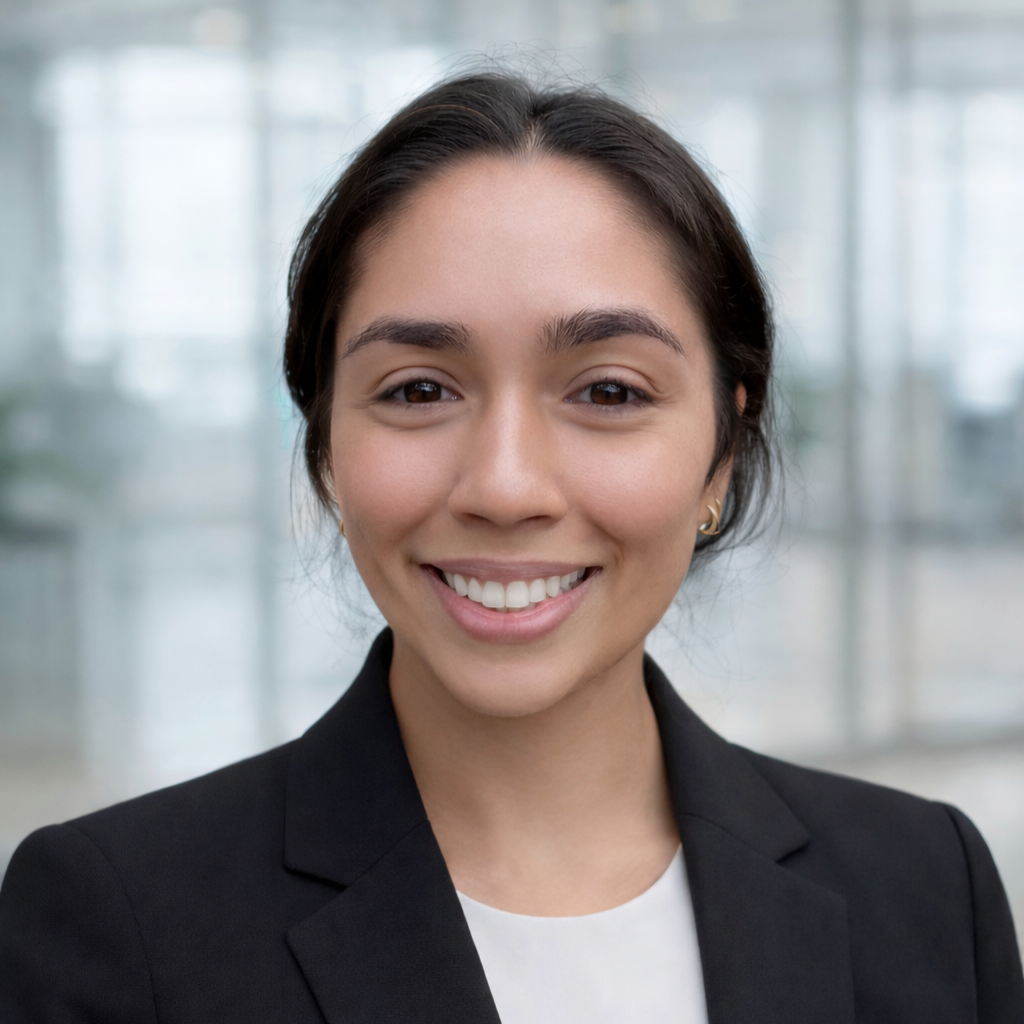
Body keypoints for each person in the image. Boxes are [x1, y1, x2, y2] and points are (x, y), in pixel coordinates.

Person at [1, 71, 1021, 1024]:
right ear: (323, 448)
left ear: (722, 451)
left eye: (609, 391)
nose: (504, 485)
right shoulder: (117, 922)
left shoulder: (924, 883)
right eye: (418, 390)